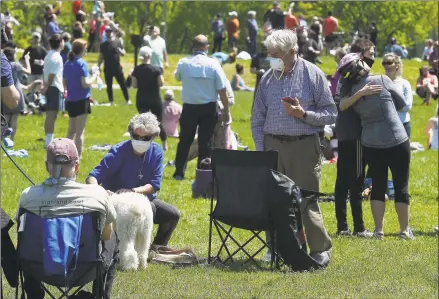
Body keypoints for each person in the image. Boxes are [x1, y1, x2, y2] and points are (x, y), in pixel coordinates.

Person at [251, 29, 336, 264]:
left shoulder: (313, 74)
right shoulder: (268, 77)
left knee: (306, 199)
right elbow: (257, 117)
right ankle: (276, 247)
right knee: (274, 199)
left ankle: (319, 248)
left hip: (303, 146)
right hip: (272, 146)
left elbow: (330, 113)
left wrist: (303, 114)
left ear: (292, 51)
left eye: (276, 54)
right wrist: (262, 149)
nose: (272, 59)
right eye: (270, 54)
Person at [17, 138, 118, 299]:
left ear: (46, 166)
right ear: (76, 166)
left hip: (39, 268)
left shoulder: (28, 196)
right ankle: (101, 295)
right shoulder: (98, 194)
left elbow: (23, 236)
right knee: (113, 236)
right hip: (86, 268)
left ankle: (34, 295)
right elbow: (106, 236)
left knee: (30, 242)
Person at [339, 59, 413, 240]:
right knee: (401, 185)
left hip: (370, 143)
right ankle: (404, 231)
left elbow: (342, 107)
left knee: (378, 186)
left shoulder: (351, 92)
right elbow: (402, 103)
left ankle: (379, 231)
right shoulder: (382, 79)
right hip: (396, 138)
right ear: (361, 68)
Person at [87, 113, 181, 247]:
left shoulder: (157, 151)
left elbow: (154, 184)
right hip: (116, 201)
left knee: (172, 214)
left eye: (146, 138)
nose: (140, 141)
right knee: (147, 209)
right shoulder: (119, 151)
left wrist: (132, 191)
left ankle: (156, 248)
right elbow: (93, 176)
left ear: (153, 137)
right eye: (136, 137)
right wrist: (99, 193)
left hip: (144, 199)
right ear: (130, 134)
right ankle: (124, 248)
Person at [333, 39, 381, 237]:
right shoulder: (356, 79)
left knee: (343, 181)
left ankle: (343, 227)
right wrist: (362, 93)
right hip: (355, 136)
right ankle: (358, 227)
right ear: (361, 56)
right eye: (371, 53)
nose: (373, 57)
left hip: (345, 134)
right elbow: (342, 105)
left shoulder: (345, 78)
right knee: (355, 181)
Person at [172, 34, 230, 180]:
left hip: (190, 107)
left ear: (193, 46)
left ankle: (179, 172)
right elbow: (222, 89)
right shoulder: (214, 64)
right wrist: (226, 111)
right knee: (206, 142)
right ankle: (202, 172)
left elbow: (177, 77)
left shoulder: (184, 62)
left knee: (185, 140)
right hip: (208, 108)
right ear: (207, 47)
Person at [63, 39, 100, 159]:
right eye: (85, 48)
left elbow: (64, 82)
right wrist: (94, 76)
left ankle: (66, 153)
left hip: (70, 100)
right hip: (81, 100)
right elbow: (85, 83)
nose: (87, 50)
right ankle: (78, 156)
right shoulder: (82, 63)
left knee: (71, 131)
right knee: (80, 132)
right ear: (82, 49)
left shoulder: (68, 63)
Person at [131, 46, 168, 150]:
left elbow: (134, 85)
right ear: (149, 56)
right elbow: (161, 83)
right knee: (159, 121)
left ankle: (144, 143)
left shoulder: (136, 69)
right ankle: (164, 143)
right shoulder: (157, 69)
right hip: (155, 98)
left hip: (142, 98)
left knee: (143, 122)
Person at [2, 48, 41, 141]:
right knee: (15, 118)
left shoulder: (3, 65)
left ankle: (2, 138)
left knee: (6, 117)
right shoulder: (16, 65)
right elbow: (28, 71)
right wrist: (27, 60)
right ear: (13, 55)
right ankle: (12, 139)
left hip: (5, 91)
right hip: (17, 91)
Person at [42, 34, 64, 149]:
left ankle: (48, 138)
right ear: (60, 43)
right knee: (52, 115)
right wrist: (47, 86)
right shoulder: (57, 57)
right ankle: (49, 141)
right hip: (54, 87)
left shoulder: (48, 55)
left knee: (50, 115)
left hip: (50, 86)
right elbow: (52, 75)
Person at [382, 53, 412, 137]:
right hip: (384, 125)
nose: (386, 65)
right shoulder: (380, 81)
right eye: (384, 63)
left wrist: (388, 105)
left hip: (402, 124)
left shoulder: (404, 83)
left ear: (397, 65)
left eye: (389, 62)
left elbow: (407, 107)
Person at [98, 27, 131, 105]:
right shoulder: (103, 45)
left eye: (110, 32)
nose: (108, 33)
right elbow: (101, 56)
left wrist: (120, 51)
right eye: (107, 32)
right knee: (109, 85)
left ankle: (127, 100)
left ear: (113, 33)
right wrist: (98, 66)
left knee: (123, 84)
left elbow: (124, 53)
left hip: (117, 67)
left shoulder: (117, 41)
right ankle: (111, 101)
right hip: (107, 67)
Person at [22, 32, 48, 101]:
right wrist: (33, 62)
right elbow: (23, 60)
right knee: (30, 91)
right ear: (32, 39)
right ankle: (31, 107)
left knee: (41, 90)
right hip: (31, 73)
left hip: (40, 73)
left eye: (37, 38)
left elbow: (47, 59)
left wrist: (43, 62)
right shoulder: (28, 50)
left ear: (39, 39)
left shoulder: (43, 50)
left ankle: (41, 105)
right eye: (35, 37)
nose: (36, 39)